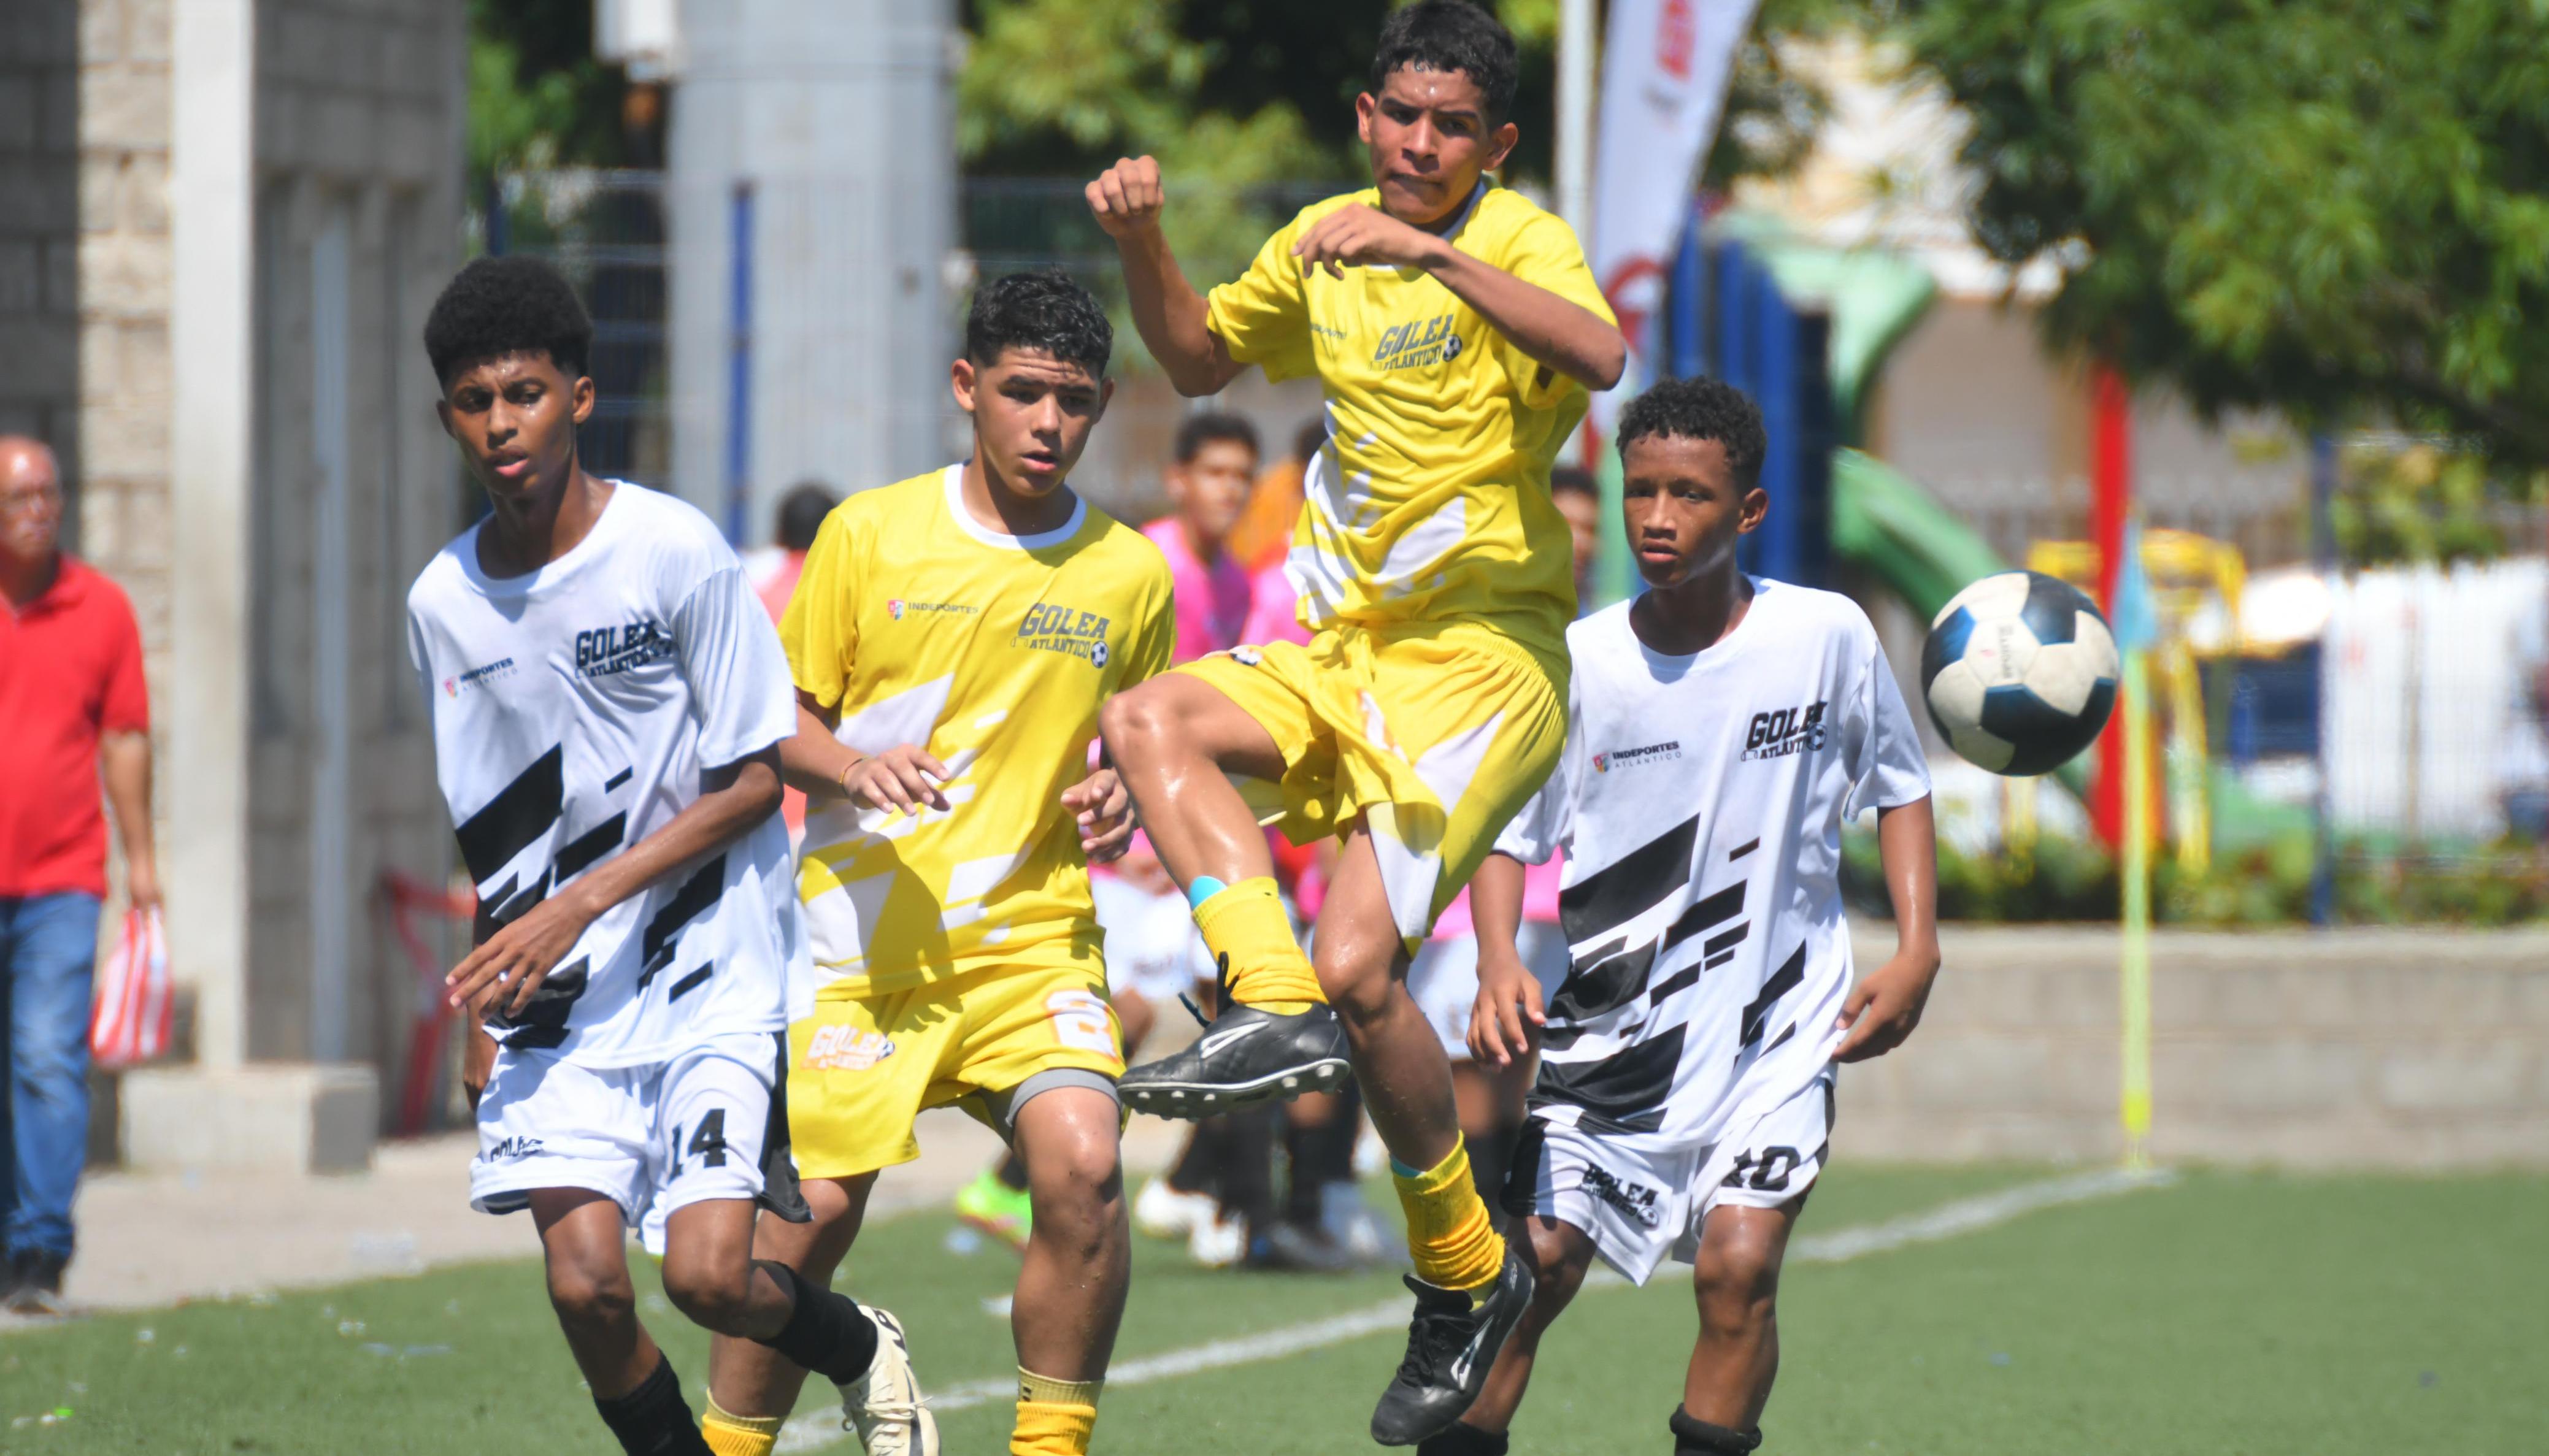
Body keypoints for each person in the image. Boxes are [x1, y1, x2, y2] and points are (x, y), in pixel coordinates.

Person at [1086, 0, 1627, 1438]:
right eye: (1404, 117)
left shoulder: (1508, 238)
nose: (1423, 145)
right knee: (1147, 723)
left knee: (1361, 958)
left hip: (1483, 662)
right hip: (1340, 650)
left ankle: (1453, 1265)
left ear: (1494, 144)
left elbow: (1600, 353)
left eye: (1455, 128)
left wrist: (1438, 252)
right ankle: (1446, 1236)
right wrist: (1144, 241)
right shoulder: (1320, 235)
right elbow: (1198, 358)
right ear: (1365, 115)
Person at [405, 258, 924, 1456]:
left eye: (524, 393)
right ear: (448, 421)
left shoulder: (674, 552)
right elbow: (490, 811)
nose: (500, 424)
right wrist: (493, 983)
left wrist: (569, 905)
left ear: (578, 396)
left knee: (707, 1276)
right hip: (558, 992)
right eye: (474, 402)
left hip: (710, 977)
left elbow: (751, 779)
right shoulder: (444, 599)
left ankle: (856, 1343)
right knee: (585, 1287)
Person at [705, 270, 1171, 1456]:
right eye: (1022, 392)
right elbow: (780, 724)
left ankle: (1048, 1444)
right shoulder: (869, 533)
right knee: (797, 1231)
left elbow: (1144, 744)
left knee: (1085, 1167)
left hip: (1032, 940)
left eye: (1073, 400)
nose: (1047, 423)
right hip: (863, 941)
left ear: (1103, 403)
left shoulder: (1130, 574)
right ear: (968, 386)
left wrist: (1125, 795)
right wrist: (855, 769)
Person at [1448, 377, 1941, 1456]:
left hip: (1777, 1031)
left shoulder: (1828, 636)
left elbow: (1899, 784)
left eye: (1690, 494)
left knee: (1738, 1269)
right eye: (1641, 491)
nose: (1659, 517)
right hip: (1611, 1040)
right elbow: (1502, 831)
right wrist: (1495, 959)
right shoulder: (1581, 664)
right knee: (1527, 1271)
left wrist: (1918, 948)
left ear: (1749, 511)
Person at [956, 411, 1258, 1257]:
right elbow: (1116, 702)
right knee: (1130, 1012)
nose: (1227, 492)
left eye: (1242, 476)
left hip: (1166, 830)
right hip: (1119, 831)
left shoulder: (1232, 579)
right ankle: (1159, 1185)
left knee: (1181, 1004)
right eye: (1213, 473)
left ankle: (1195, 1184)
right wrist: (1141, 822)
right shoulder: (1146, 563)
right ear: (1177, 479)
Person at [0, 436, 156, 1316]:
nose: (37, 509)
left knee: (44, 1057)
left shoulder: (100, 608)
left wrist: (142, 860)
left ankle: (39, 1250)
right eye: (19, 496)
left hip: (62, 875)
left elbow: (126, 735)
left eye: (47, 493)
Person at [746, 481, 843, 841]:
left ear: (780, 533)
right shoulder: (847, 586)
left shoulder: (752, 581)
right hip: (828, 795)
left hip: (759, 795)